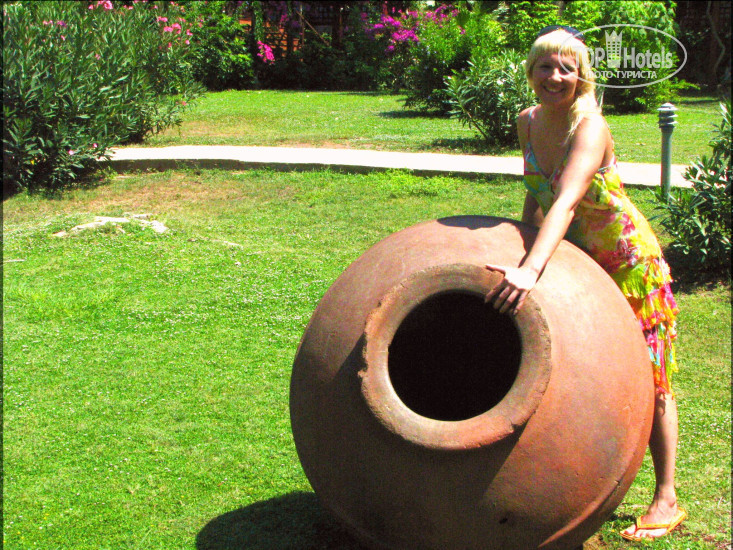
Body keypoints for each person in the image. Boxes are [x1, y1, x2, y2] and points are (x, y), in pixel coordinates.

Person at [484, 26, 686, 542]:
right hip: (575, 260)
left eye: (566, 68)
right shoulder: (527, 122)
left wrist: (532, 268)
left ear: (582, 76)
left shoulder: (590, 127)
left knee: (652, 379)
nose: (554, 76)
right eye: (545, 66)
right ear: (530, 72)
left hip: (626, 263)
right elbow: (536, 195)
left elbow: (568, 201)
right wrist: (520, 249)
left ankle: (666, 497)